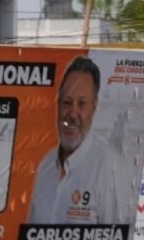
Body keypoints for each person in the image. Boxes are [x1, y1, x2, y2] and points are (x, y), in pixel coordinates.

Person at [28, 56, 132, 225]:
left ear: (94, 107)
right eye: (67, 103)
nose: (72, 114)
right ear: (58, 105)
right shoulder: (45, 168)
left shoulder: (107, 165)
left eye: (82, 104)